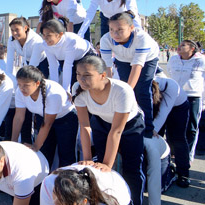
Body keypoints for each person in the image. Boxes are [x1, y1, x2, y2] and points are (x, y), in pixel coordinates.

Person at [73, 55, 145, 205]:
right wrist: (88, 159)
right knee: (96, 167)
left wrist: (107, 164)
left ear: (103, 75)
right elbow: (84, 126)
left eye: (87, 75)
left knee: (131, 168)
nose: (81, 79)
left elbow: (117, 131)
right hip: (101, 122)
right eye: (78, 74)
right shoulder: (78, 89)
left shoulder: (122, 90)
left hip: (129, 125)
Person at [100, 11, 160, 140]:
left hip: (147, 59)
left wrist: (126, 92)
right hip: (122, 59)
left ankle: (148, 129)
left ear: (131, 28)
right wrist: (108, 90)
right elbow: (107, 67)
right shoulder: (106, 39)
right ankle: (126, 124)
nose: (115, 34)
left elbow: (137, 67)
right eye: (112, 29)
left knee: (141, 90)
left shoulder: (142, 38)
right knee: (121, 87)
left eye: (120, 30)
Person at [12, 66, 78, 168]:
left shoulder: (53, 94)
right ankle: (42, 182)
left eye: (26, 85)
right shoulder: (19, 92)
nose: (22, 88)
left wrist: (35, 147)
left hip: (65, 119)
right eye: (19, 84)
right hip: (42, 117)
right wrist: (13, 143)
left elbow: (48, 124)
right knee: (44, 154)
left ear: (37, 83)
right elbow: (18, 118)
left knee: (65, 154)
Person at [167, 39, 205, 161]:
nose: (179, 47)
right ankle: (172, 153)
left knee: (191, 127)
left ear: (192, 48)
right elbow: (170, 74)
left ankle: (187, 155)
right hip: (176, 96)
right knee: (173, 126)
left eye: (183, 45)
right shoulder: (173, 59)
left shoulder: (201, 61)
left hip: (193, 96)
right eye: (179, 45)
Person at [153, 74, 191, 188]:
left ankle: (183, 173)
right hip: (160, 105)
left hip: (178, 107)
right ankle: (159, 170)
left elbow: (163, 113)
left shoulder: (171, 86)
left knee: (177, 139)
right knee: (156, 138)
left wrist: (152, 130)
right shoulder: (147, 83)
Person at [41, 18, 94, 93]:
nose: (45, 38)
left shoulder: (70, 41)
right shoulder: (45, 44)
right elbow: (53, 66)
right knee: (72, 87)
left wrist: (66, 91)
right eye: (43, 35)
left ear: (60, 34)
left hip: (85, 56)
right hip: (64, 59)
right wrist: (54, 89)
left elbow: (68, 66)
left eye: (49, 35)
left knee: (85, 83)